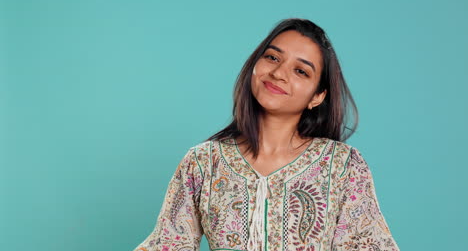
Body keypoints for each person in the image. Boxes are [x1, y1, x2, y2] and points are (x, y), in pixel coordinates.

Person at [132, 18, 400, 251]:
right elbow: (166, 243)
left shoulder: (342, 166)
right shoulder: (203, 162)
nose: (278, 73)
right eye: (272, 57)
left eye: (301, 71)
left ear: (317, 96)